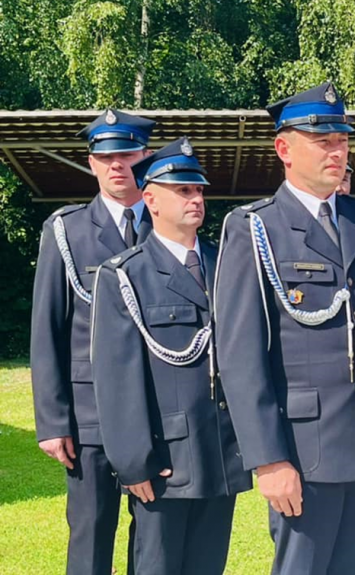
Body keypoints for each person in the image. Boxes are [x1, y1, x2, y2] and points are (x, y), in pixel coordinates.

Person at [213, 81, 355, 575]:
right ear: (284, 149)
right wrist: (268, 459)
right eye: (322, 141)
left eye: (342, 139)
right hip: (305, 451)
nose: (337, 150)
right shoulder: (254, 227)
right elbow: (240, 357)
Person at [90, 138, 252, 574]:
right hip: (166, 461)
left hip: (220, 449)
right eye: (183, 191)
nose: (195, 199)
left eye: (198, 190)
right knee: (157, 565)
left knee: (207, 564)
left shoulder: (226, 264)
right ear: (150, 199)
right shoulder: (126, 274)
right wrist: (133, 462)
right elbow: (116, 378)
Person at [30, 108, 155, 575]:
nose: (118, 165)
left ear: (146, 158)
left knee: (154, 536)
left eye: (128, 154)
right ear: (91, 163)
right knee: (91, 534)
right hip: (90, 420)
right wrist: (52, 420)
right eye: (106, 157)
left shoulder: (167, 226)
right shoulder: (67, 231)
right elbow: (47, 329)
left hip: (160, 414)